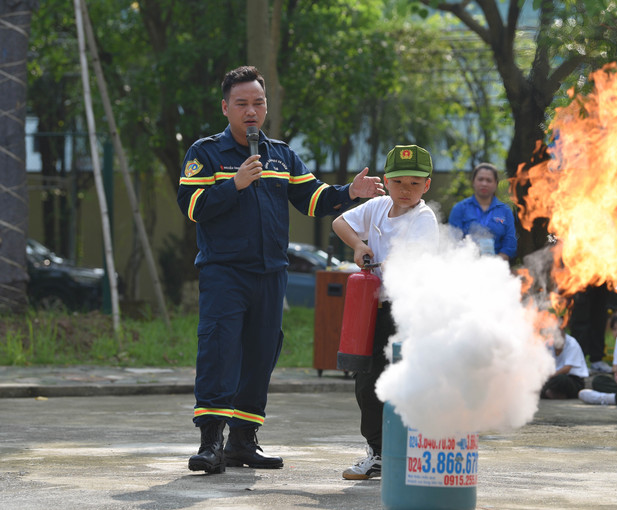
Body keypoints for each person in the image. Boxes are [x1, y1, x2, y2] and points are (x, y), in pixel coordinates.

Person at [177, 66, 384, 474]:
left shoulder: (280, 154)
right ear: (225, 108)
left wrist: (349, 193)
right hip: (225, 273)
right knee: (219, 350)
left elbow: (312, 198)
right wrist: (233, 183)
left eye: (258, 102)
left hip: (271, 274)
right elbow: (192, 207)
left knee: (260, 354)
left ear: (266, 106)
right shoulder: (204, 153)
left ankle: (243, 442)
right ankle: (210, 444)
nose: (251, 111)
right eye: (242, 104)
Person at [332, 144, 439, 480]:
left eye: (413, 183)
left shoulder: (424, 218)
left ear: (427, 186)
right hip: (371, 311)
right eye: (398, 182)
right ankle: (377, 452)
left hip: (406, 313)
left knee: (404, 382)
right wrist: (359, 245)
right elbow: (339, 222)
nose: (405, 190)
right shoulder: (377, 207)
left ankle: (411, 453)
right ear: (386, 182)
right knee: (367, 381)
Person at [447, 162, 517, 261]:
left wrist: (496, 263)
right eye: (480, 179)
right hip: (466, 265)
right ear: (473, 182)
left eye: (489, 180)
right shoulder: (459, 209)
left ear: (496, 184)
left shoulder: (505, 211)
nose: (484, 183)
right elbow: (453, 241)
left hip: (497, 267)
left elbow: (510, 243)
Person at [541, 329, 590, 399]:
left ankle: (546, 392)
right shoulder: (548, 344)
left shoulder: (572, 344)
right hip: (551, 378)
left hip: (572, 380)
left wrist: (550, 376)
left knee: (561, 379)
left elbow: (567, 368)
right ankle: (552, 393)